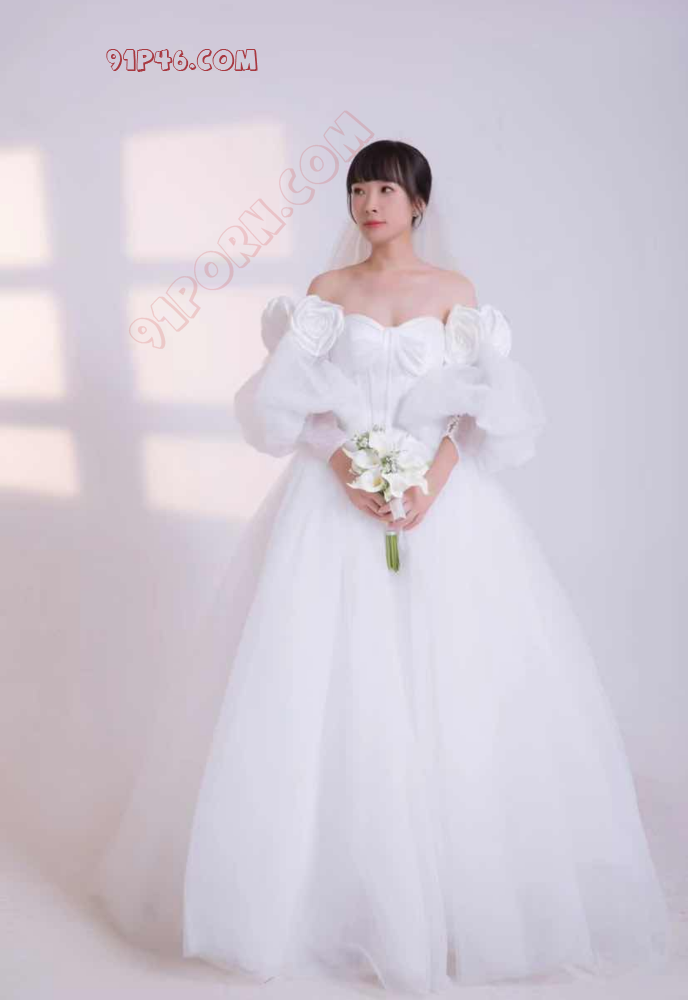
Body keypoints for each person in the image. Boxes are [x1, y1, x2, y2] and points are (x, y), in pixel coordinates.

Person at [90, 140, 671, 995]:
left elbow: (478, 414)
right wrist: (350, 472)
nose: (369, 203)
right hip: (334, 508)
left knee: (455, 692)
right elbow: (293, 408)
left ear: (419, 203)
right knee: (323, 694)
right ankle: (327, 909)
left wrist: (426, 484)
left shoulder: (456, 294)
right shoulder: (326, 294)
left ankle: (460, 907)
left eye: (386, 190)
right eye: (358, 188)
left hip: (444, 512)